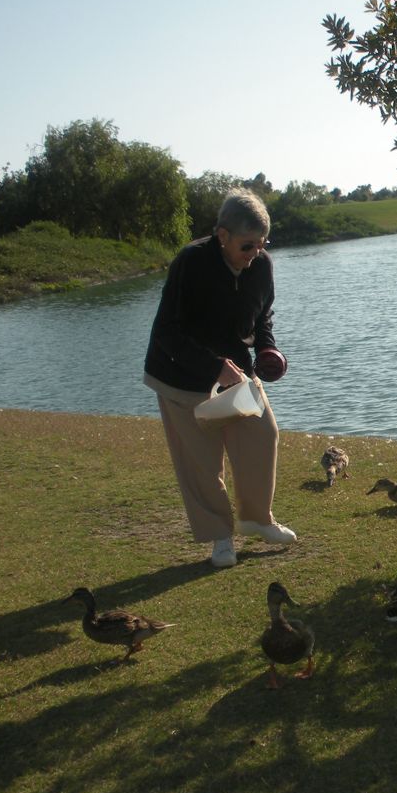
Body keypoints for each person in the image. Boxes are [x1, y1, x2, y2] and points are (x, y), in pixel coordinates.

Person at [144, 188, 296, 568]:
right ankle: (220, 537)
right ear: (222, 235)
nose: (254, 254)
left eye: (262, 245)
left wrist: (267, 349)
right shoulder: (190, 262)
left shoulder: (261, 265)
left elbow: (262, 319)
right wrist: (214, 366)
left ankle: (255, 519)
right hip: (179, 376)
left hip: (236, 373)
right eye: (247, 246)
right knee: (202, 462)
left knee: (263, 434)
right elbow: (166, 331)